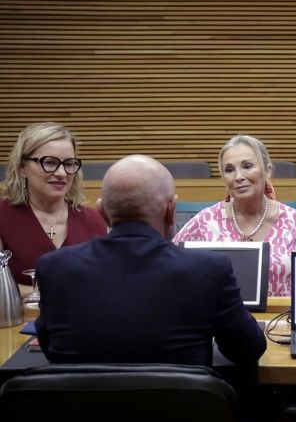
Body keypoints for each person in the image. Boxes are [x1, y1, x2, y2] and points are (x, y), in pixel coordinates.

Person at [35, 154, 266, 369]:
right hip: (180, 401)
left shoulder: (54, 268)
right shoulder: (208, 270)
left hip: (81, 402)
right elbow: (248, 350)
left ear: (102, 212)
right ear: (171, 210)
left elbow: (51, 349)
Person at [173, 134, 296, 297]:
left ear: (267, 171)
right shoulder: (204, 222)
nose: (238, 177)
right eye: (229, 170)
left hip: (282, 313)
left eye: (247, 166)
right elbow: (169, 267)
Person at [0, 122, 107, 293]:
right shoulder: (3, 216)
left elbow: (105, 283)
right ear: (22, 168)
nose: (62, 173)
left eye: (69, 164)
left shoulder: (94, 220)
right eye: (50, 162)